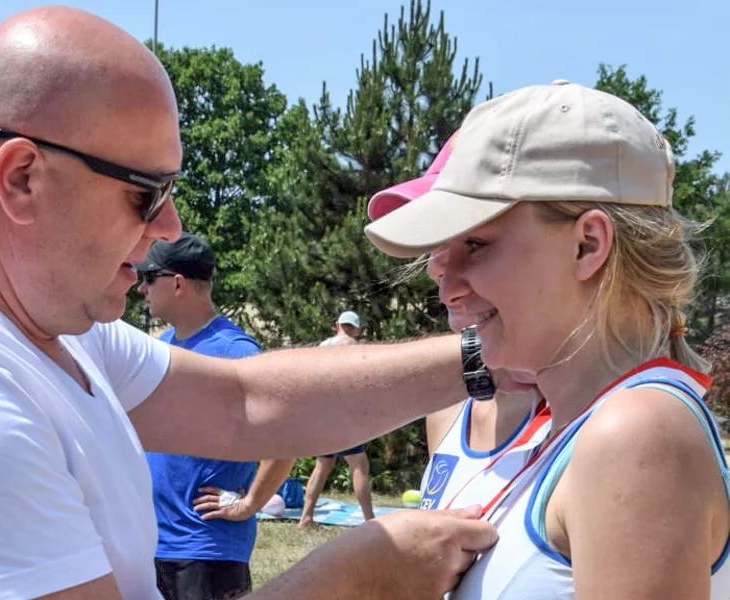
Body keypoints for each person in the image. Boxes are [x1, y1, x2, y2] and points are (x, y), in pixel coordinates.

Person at [0, 7, 498, 600]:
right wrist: (358, 578)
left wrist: (486, 354)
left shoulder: (36, 322)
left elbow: (244, 402)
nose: (171, 226)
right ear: (23, 177)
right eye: (145, 193)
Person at [365, 79, 730, 599]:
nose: (444, 283)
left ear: (587, 245)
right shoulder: (570, 430)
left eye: (475, 243)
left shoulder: (633, 433)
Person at [368, 133, 551, 513]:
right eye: (437, 239)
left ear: (584, 246)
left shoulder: (616, 425)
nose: (436, 270)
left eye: (475, 241)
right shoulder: (449, 410)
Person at [136, 232, 294, 600]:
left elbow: (286, 438)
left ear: (177, 284)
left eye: (149, 278)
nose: (141, 288)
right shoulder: (162, 347)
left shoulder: (234, 351)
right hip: (155, 543)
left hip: (206, 548)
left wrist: (249, 504)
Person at [298, 311, 375, 529]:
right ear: (357, 329)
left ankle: (306, 518)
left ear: (337, 325)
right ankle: (370, 521)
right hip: (344, 413)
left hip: (323, 412)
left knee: (323, 464)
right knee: (359, 465)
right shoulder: (356, 349)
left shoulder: (322, 347)